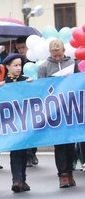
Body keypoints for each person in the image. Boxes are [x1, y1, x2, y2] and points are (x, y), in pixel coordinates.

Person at [37, 39, 78, 188]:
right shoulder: (44, 68)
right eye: (55, 56)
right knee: (59, 144)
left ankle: (70, 170)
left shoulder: (72, 64)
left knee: (70, 144)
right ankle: (63, 174)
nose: (58, 59)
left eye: (60, 55)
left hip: (70, 109)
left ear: (64, 52)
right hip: (54, 111)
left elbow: (79, 83)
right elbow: (40, 88)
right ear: (50, 54)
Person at [0, 53, 33, 192]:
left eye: (20, 65)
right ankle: (16, 179)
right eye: (15, 65)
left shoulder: (26, 80)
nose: (19, 68)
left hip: (24, 121)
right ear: (7, 66)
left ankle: (22, 179)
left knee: (23, 150)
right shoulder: (3, 84)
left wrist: (33, 85)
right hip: (11, 122)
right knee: (15, 150)